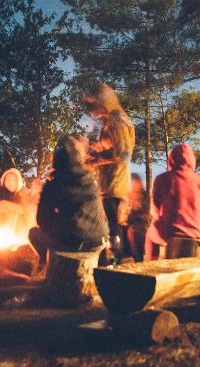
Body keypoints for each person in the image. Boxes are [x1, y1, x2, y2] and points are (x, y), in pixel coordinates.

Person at [30, 135, 109, 256]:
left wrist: (60, 222)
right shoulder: (90, 179)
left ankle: (47, 265)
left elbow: (42, 220)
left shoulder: (54, 184)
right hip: (99, 240)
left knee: (34, 233)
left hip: (75, 244)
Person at [83, 82, 135, 259]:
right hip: (110, 184)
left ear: (102, 101)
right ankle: (120, 260)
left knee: (114, 226)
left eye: (92, 104)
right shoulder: (112, 120)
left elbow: (122, 154)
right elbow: (111, 147)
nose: (90, 110)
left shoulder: (117, 120)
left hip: (114, 184)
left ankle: (119, 263)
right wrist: (97, 150)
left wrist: (94, 162)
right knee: (113, 224)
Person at [145, 144, 200, 260]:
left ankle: (150, 265)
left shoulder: (163, 178)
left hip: (170, 231)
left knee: (149, 235)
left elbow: (156, 206)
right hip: (196, 231)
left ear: (171, 160)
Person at [124, 173, 151, 262]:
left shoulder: (145, 196)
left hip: (141, 224)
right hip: (129, 224)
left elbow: (147, 214)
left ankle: (139, 260)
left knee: (134, 232)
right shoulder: (127, 195)